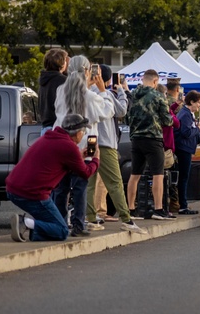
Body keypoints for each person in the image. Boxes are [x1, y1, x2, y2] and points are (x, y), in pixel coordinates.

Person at [8, 114, 101, 242]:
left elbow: (59, 159)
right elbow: (85, 173)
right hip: (32, 194)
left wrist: (79, 157)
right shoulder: (69, 147)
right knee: (62, 230)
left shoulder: (50, 137)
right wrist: (96, 159)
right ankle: (25, 223)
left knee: (51, 223)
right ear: (78, 133)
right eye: (83, 131)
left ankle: (33, 231)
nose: (84, 134)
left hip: (13, 188)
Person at [53, 55, 115, 236]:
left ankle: (60, 224)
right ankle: (79, 224)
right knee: (81, 185)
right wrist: (103, 91)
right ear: (88, 71)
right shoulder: (90, 95)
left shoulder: (60, 90)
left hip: (63, 140)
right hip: (88, 140)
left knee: (61, 186)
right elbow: (107, 112)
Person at [84, 65, 145, 233]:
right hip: (105, 143)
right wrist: (122, 92)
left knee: (89, 182)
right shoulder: (107, 94)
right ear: (109, 79)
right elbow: (122, 111)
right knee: (115, 182)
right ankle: (126, 218)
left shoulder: (86, 93)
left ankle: (90, 216)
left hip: (89, 141)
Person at [125, 70, 173, 220]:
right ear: (155, 81)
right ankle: (158, 209)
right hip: (153, 139)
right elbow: (167, 121)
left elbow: (127, 119)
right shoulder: (157, 96)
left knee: (135, 175)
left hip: (135, 139)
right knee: (157, 174)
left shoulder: (132, 95)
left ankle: (131, 209)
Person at [174, 90, 200, 216]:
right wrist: (197, 129)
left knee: (183, 177)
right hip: (183, 149)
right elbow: (185, 133)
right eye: (199, 103)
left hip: (185, 149)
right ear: (191, 101)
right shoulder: (185, 115)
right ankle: (183, 205)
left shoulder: (187, 114)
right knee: (183, 177)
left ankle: (182, 203)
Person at [38, 48, 68, 132]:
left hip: (44, 127)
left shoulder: (43, 79)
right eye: (65, 60)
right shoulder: (63, 81)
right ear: (61, 63)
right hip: (57, 127)